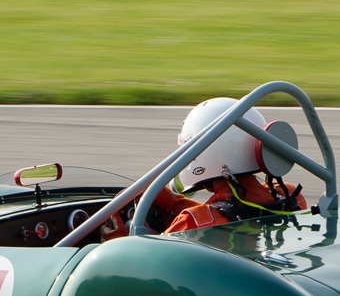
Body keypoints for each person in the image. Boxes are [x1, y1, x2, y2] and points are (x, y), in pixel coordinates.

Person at [102, 97, 306, 240]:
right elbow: (234, 211)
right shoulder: (292, 198)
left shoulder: (192, 224)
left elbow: (144, 268)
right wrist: (174, 202)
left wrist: (116, 239)